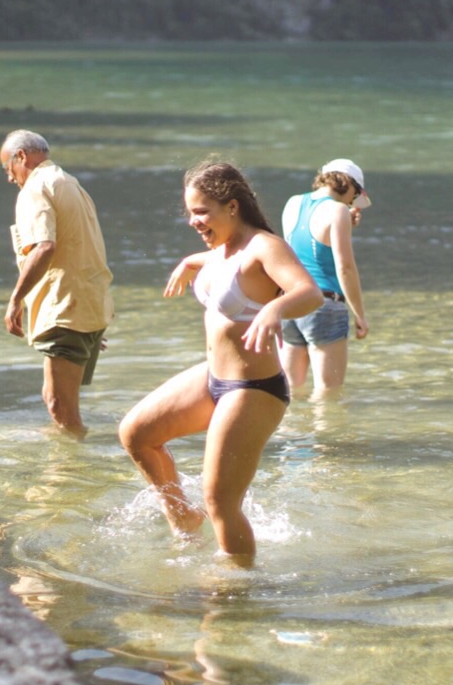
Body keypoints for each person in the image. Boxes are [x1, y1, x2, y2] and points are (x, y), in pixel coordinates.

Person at [118, 159, 320, 559]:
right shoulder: (222, 250)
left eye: (201, 212)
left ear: (232, 206)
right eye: (190, 213)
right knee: (137, 434)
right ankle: (183, 519)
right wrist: (187, 262)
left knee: (220, 501)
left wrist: (273, 310)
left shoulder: (263, 247)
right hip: (213, 379)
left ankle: (236, 587)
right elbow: (212, 263)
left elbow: (309, 292)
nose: (194, 221)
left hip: (253, 390)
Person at [0, 130, 114, 438]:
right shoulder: (70, 183)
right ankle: (66, 467)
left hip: (65, 308)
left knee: (59, 407)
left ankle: (70, 478)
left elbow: (44, 246)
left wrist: (15, 299)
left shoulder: (35, 188)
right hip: (86, 307)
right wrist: (89, 323)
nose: (9, 178)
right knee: (62, 407)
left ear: (21, 156)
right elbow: (85, 249)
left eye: (7, 168)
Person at [279, 158, 373, 395]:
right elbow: (345, 268)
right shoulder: (338, 210)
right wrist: (360, 315)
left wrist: (344, 224)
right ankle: (325, 434)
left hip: (290, 304)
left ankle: (290, 433)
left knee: (290, 392)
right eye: (353, 196)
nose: (351, 202)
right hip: (324, 306)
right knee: (328, 395)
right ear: (348, 185)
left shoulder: (292, 203)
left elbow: (301, 246)